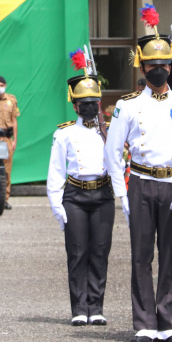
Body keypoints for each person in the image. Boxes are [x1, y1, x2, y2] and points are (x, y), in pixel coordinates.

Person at [104, 7, 172, 342]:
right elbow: (112, 152)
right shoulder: (129, 105)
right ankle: (144, 323)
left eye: (164, 65)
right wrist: (120, 194)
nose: (158, 70)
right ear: (142, 66)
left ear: (171, 66)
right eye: (152, 65)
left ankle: (168, 321)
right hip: (139, 181)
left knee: (170, 253)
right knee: (141, 254)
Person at [47, 52, 114, 326]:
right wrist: (56, 205)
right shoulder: (64, 133)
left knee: (99, 251)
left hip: (102, 195)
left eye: (93, 103)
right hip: (74, 196)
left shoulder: (108, 130)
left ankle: (96, 307)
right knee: (77, 253)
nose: (89, 108)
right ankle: (79, 308)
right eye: (83, 103)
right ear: (75, 106)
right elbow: (56, 171)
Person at [0, 75, 20, 210]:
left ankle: (5, 199)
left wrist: (15, 140)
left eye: (1, 85)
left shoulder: (11, 100)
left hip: (7, 139)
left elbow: (14, 121)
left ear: (5, 85)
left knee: (7, 171)